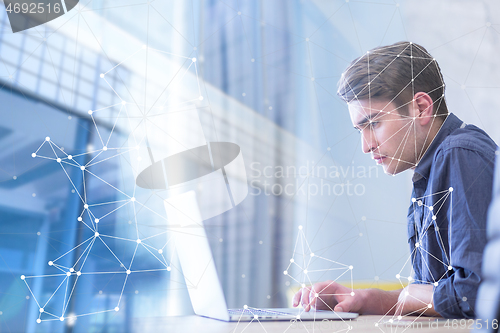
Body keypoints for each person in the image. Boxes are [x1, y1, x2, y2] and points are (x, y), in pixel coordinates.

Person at [293, 41, 497, 319]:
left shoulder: (460, 154)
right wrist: (365, 299)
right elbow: (431, 296)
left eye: (373, 123)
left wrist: (412, 294)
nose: (366, 146)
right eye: (359, 130)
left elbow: (474, 295)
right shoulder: (432, 168)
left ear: (421, 108)